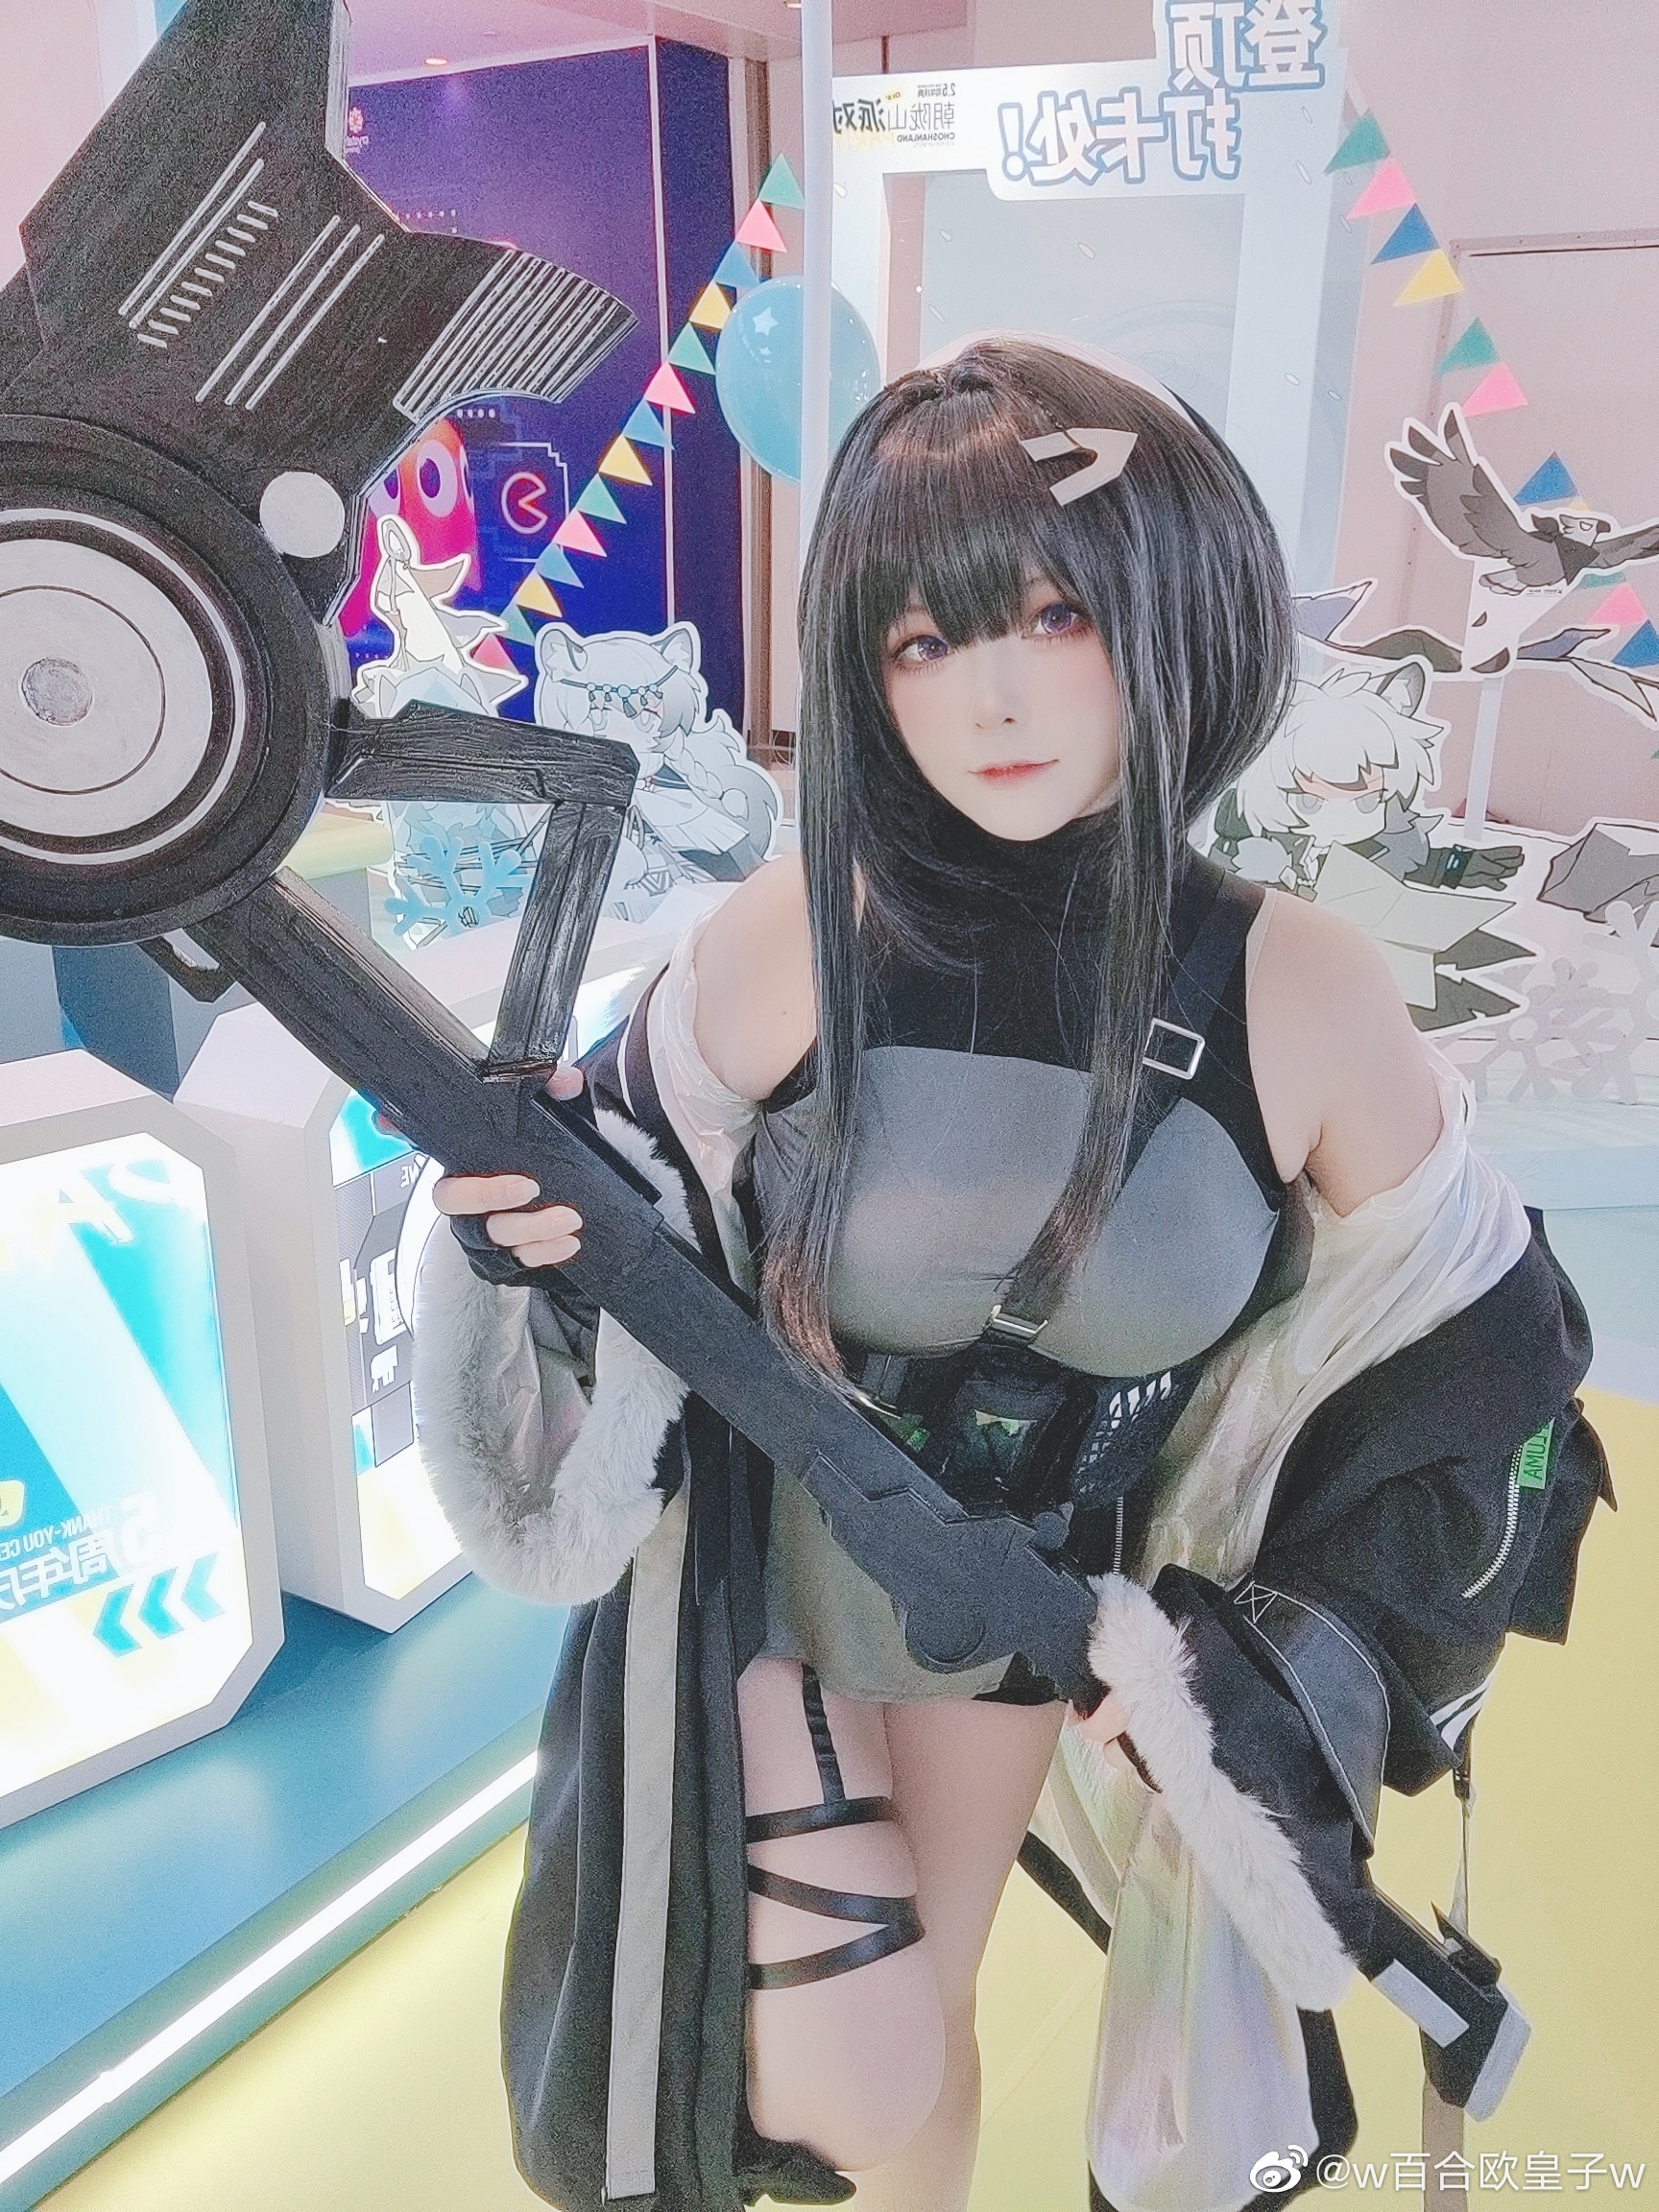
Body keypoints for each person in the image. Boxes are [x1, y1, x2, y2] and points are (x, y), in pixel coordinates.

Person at [410, 337, 1604, 2212]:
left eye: (1055, 613)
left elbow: (1474, 1362)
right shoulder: (805, 931)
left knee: (936, 2019)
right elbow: (614, 1220)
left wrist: (1274, 1653)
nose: (993, 694)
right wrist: (529, 1240)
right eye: (922, 640)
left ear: (1170, 607)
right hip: (763, 1585)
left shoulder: (1293, 987)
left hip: (1022, 1612)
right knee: (848, 2069)